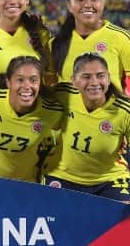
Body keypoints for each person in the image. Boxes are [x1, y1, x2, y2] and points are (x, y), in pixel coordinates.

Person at [43, 53, 130, 200]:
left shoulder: (124, 110)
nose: (94, 82)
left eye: (100, 76)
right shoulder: (62, 95)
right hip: (62, 177)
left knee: (123, 216)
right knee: (53, 217)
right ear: (73, 81)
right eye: (86, 77)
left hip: (109, 179)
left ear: (108, 79)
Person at [0, 56, 64, 183]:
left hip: (20, 189)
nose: (27, 86)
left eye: (33, 80)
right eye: (20, 80)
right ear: (8, 82)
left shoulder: (53, 111)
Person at [49, 0, 130, 92]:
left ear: (103, 3)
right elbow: (49, 90)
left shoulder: (122, 38)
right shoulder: (54, 44)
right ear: (69, 6)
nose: (87, 4)